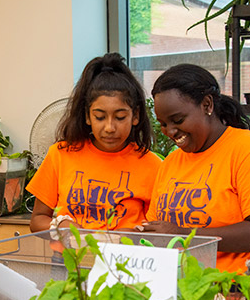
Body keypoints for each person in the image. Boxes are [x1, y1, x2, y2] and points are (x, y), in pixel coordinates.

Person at [141, 64, 250, 274]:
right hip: (180, 293)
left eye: (178, 120)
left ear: (207, 104)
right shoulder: (171, 163)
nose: (170, 131)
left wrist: (186, 236)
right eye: (163, 124)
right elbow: (159, 231)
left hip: (235, 292)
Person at [27, 52, 161, 233]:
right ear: (87, 116)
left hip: (123, 259)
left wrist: (134, 235)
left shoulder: (152, 165)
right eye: (99, 117)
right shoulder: (60, 155)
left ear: (135, 116)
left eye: (120, 117)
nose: (109, 127)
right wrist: (61, 227)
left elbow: (157, 230)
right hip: (68, 259)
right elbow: (37, 221)